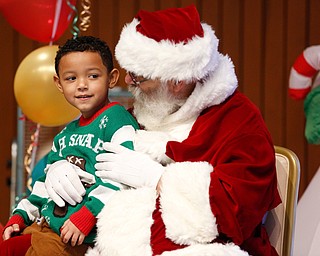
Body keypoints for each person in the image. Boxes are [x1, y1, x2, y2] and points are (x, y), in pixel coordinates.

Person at [45, 5, 281, 256]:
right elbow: (98, 158)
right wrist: (59, 167)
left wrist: (158, 178)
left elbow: (238, 211)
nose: (128, 82)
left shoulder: (238, 121)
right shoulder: (150, 109)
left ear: (177, 81)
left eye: (139, 77)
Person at [0, 36, 139, 255]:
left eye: (93, 76)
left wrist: (87, 215)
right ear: (59, 84)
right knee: (6, 245)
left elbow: (125, 176)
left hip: (78, 234)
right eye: (71, 78)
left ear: (111, 78)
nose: (82, 85)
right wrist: (22, 214)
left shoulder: (116, 119)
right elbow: (45, 185)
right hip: (47, 225)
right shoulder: (65, 134)